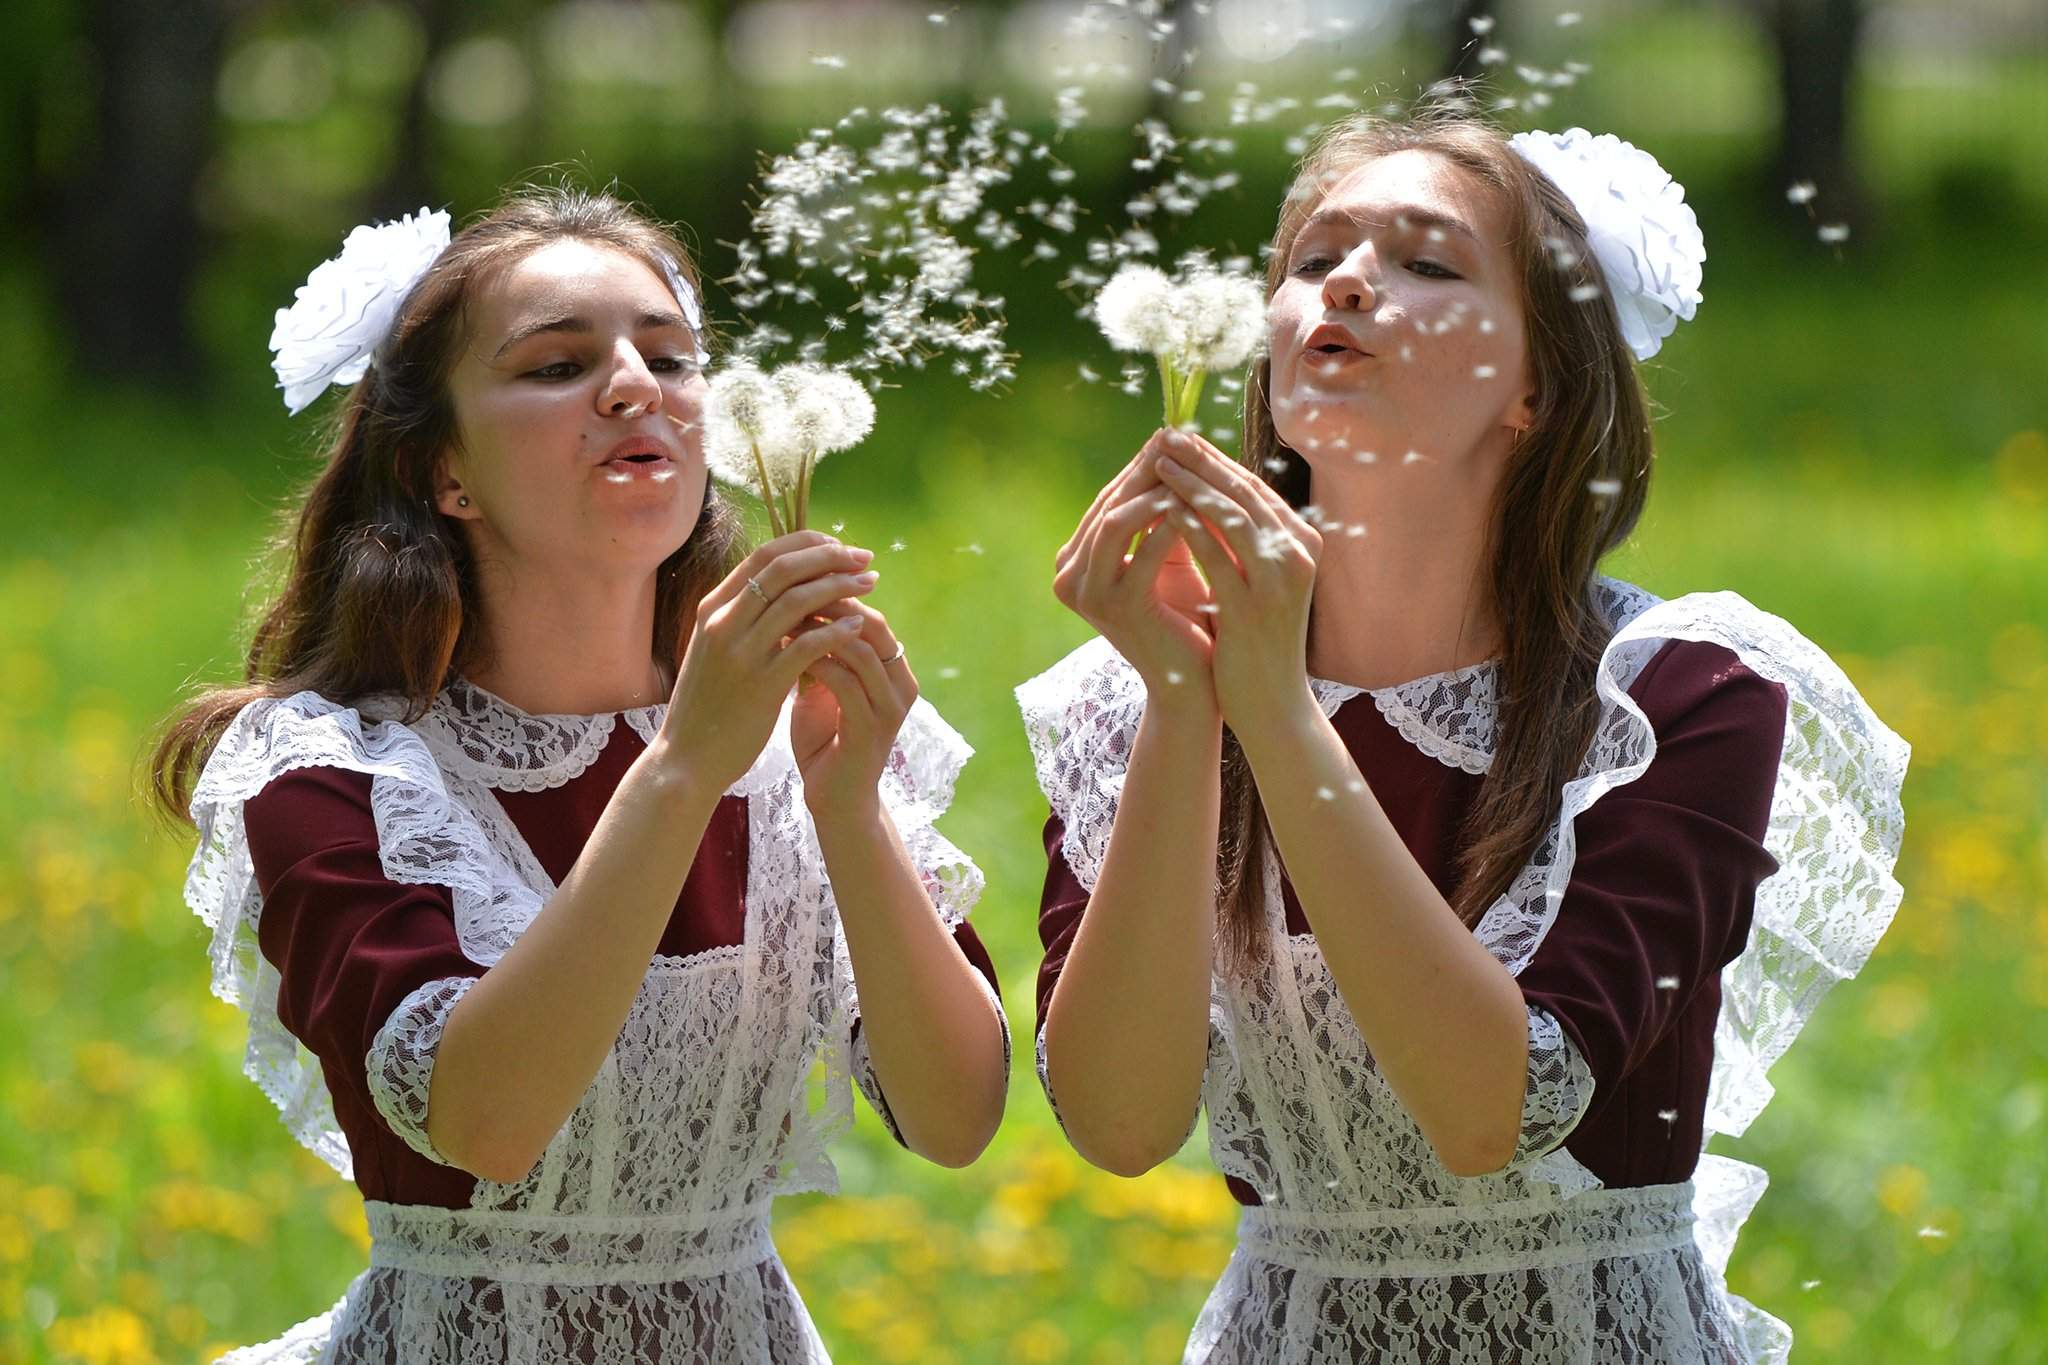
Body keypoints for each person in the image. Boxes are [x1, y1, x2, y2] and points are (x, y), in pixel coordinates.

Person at [1019, 108, 1907, 1363]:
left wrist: (1270, 708)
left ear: (1538, 385)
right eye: (1311, 256)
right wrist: (1183, 706)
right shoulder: (1130, 699)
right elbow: (1117, 1124)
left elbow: (1494, 1107)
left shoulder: (1677, 696)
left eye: (1425, 262)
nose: (1343, 281)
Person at [153, 186, 1009, 1364]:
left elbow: (955, 1118)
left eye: (669, 356)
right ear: (442, 468)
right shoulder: (336, 772)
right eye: (557, 366)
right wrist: (678, 771)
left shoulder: (790, 749)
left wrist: (847, 807)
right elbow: (488, 1121)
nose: (632, 385)